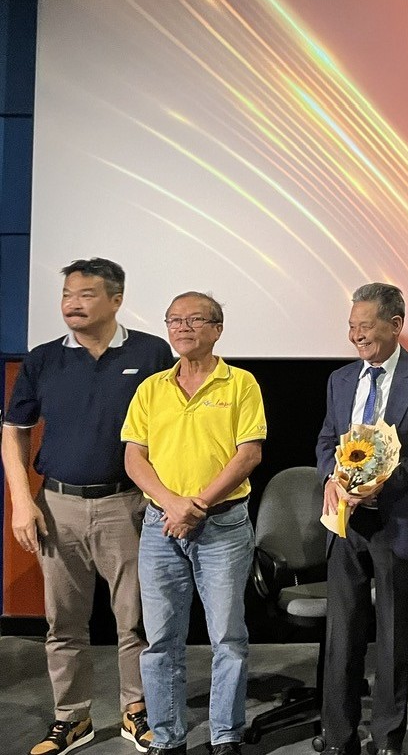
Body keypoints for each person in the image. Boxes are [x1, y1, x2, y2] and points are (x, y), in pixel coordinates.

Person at [2, 258, 172, 755]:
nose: (72, 304)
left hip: (128, 505)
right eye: (67, 295)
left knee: (136, 620)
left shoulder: (151, 352)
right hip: (58, 506)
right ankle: (71, 719)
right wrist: (21, 502)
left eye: (86, 294)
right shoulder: (42, 359)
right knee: (64, 623)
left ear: (116, 300)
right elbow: (14, 431)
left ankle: (136, 711)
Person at [317, 283, 408, 755]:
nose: (356, 336)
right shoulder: (340, 380)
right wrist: (331, 478)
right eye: (351, 327)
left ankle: (386, 738)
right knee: (342, 634)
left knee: (393, 635)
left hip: (399, 523)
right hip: (346, 524)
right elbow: (326, 440)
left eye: (366, 326)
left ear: (395, 325)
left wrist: (388, 479)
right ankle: (338, 736)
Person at [121, 292, 266, 755]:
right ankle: (167, 738)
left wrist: (196, 505)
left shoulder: (240, 383)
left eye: (194, 320)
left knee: (228, 638)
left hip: (222, 527)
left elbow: (249, 455)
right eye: (174, 320)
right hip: (160, 527)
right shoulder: (151, 388)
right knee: (161, 640)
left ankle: (226, 735)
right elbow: (134, 457)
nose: (182, 328)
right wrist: (171, 505)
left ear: (217, 329)